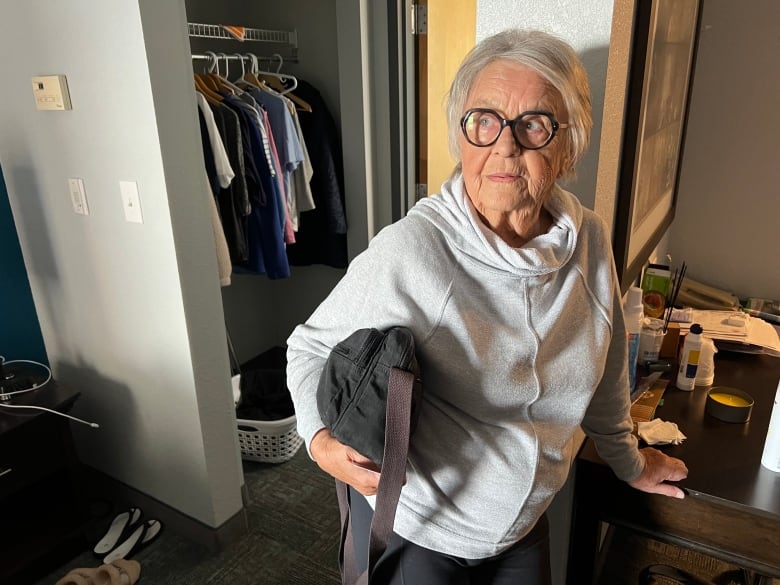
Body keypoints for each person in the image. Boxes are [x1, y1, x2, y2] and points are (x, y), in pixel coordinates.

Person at [286, 28, 688, 584]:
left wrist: (631, 462)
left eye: (534, 124)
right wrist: (320, 441)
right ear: (461, 135)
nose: (506, 145)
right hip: (422, 528)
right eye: (484, 120)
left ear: (567, 145)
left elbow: (605, 374)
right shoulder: (416, 250)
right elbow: (309, 345)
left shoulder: (590, 242)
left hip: (523, 529)